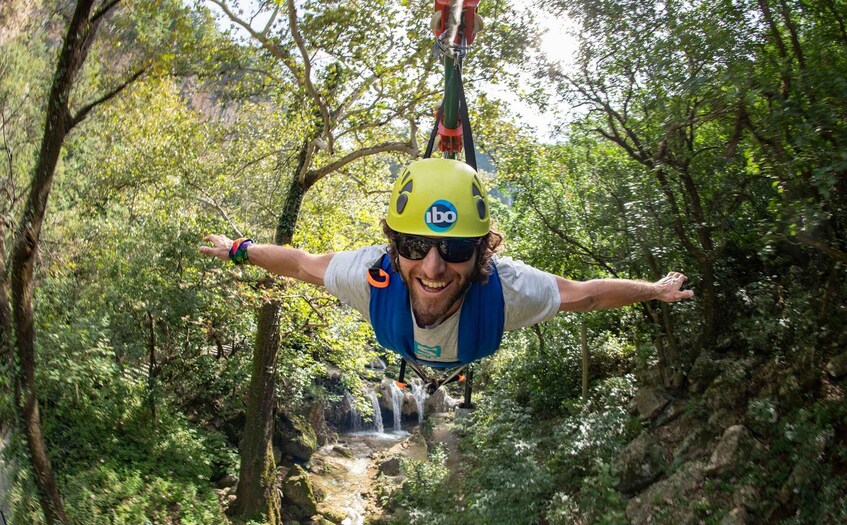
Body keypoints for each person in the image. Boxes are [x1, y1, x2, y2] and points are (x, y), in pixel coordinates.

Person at [200, 159, 693, 370]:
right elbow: (301, 263)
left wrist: (654, 290)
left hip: (459, 348)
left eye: (455, 250)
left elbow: (586, 295)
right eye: (415, 245)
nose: (433, 267)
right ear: (393, 247)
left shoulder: (509, 291)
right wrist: (241, 249)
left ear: (483, 252)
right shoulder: (371, 275)